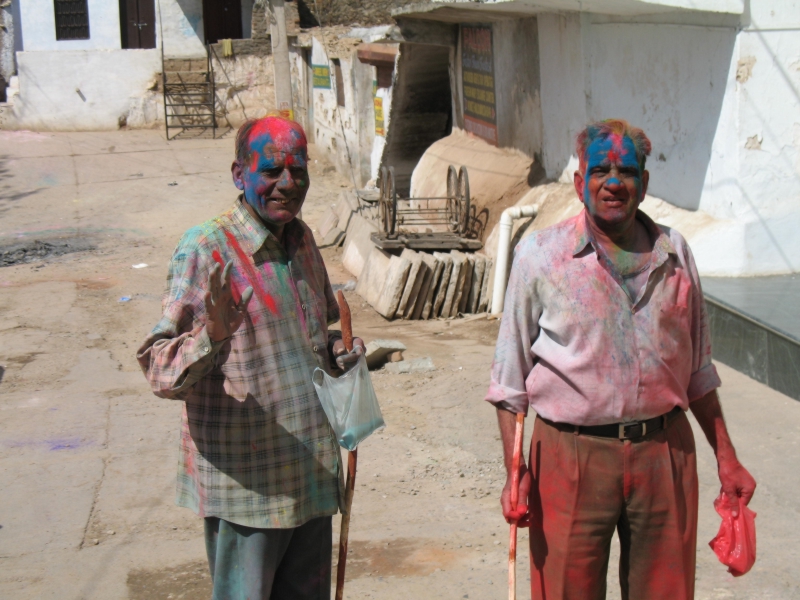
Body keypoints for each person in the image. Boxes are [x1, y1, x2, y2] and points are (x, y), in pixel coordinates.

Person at [486, 119, 756, 600]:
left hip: (665, 452)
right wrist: (515, 470)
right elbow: (509, 384)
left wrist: (727, 457)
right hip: (570, 457)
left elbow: (698, 373)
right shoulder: (540, 256)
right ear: (579, 183)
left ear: (644, 184)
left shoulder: (676, 255)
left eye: (627, 171)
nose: (614, 181)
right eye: (600, 170)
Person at [137, 116, 365, 600]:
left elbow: (316, 337)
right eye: (271, 171)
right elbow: (158, 367)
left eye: (298, 170)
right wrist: (211, 336)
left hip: (311, 476)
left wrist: (340, 353)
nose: (288, 184)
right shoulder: (206, 248)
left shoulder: (302, 241)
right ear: (239, 175)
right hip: (249, 493)